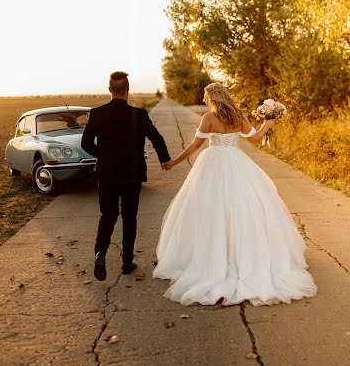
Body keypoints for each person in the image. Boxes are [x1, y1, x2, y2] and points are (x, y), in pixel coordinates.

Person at [153, 83, 317, 307]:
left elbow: (195, 146)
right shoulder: (238, 116)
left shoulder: (209, 118)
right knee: (244, 208)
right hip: (237, 162)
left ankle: (213, 258)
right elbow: (255, 140)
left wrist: (173, 163)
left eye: (205, 96)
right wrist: (266, 125)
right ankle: (248, 258)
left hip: (212, 164)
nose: (203, 99)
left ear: (211, 97)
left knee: (210, 211)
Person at [81, 71, 171, 281]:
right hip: (132, 175)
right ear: (127, 91)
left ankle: (100, 253)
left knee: (108, 215)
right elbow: (156, 138)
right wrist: (164, 159)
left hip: (107, 175)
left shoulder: (97, 114)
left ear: (109, 90)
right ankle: (127, 261)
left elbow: (85, 144)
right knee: (129, 217)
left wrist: (102, 157)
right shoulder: (139, 115)